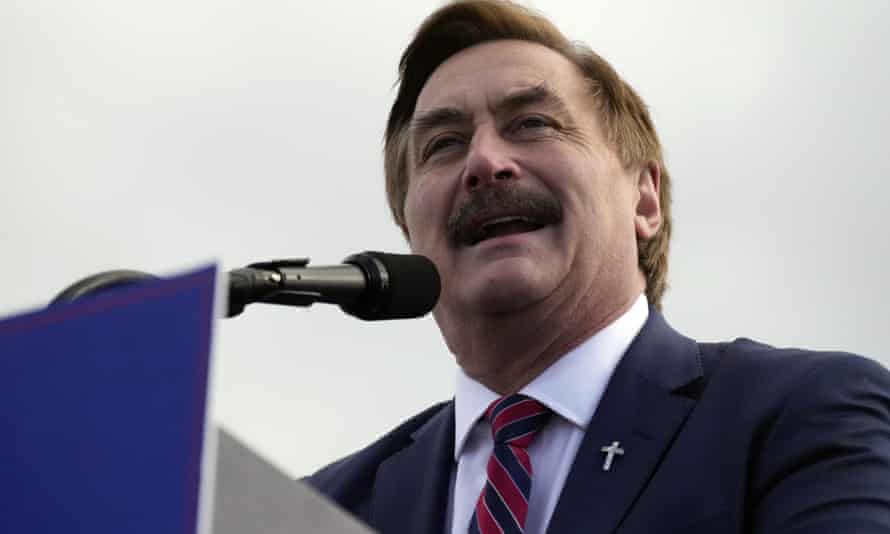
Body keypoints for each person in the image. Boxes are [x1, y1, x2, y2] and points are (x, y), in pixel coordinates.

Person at [307, 1, 890, 532]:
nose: (484, 161)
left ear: (644, 199)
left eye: (532, 123)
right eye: (444, 145)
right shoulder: (319, 508)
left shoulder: (804, 414)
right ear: (412, 235)